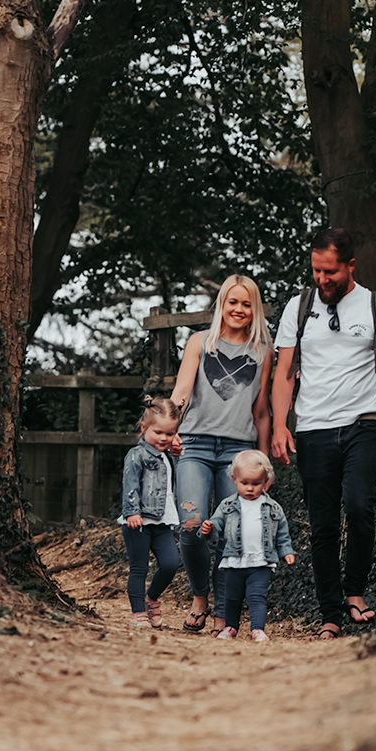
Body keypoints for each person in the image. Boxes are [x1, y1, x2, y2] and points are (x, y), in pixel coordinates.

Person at [271, 227, 376, 640]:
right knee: (322, 526)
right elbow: (283, 375)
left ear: (350, 265)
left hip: (363, 424)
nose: (322, 280)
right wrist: (281, 425)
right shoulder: (297, 309)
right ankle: (330, 612)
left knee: (359, 507)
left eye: (330, 271)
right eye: (316, 271)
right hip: (314, 428)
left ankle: (355, 591)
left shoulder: (375, 307)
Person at [166, 274, 274, 633]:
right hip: (194, 445)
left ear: (254, 308)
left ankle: (223, 613)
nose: (239, 309)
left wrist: (263, 463)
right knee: (191, 526)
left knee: (231, 534)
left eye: (246, 304)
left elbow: (261, 410)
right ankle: (200, 595)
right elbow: (181, 390)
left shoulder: (262, 351)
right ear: (222, 305)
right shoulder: (199, 343)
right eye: (233, 302)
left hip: (239, 452)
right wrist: (171, 427)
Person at [200, 449, 295, 642]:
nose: (250, 488)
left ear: (266, 481)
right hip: (235, 560)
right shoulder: (227, 505)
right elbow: (217, 522)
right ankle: (230, 627)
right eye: (245, 483)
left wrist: (287, 551)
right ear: (235, 479)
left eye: (256, 483)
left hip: (261, 561)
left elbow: (282, 533)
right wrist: (209, 527)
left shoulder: (273, 508)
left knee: (256, 596)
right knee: (232, 597)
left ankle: (257, 629)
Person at [120, 398, 186, 630]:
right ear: (144, 427)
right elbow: (130, 484)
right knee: (139, 567)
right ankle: (138, 613)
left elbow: (174, 482)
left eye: (169, 434)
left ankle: (151, 599)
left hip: (162, 521)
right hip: (138, 521)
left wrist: (177, 455)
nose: (163, 438)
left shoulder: (167, 455)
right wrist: (131, 512)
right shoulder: (136, 455)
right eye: (158, 432)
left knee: (170, 564)